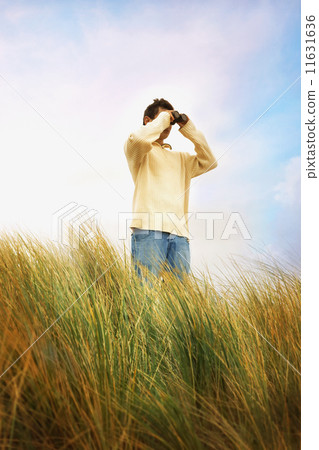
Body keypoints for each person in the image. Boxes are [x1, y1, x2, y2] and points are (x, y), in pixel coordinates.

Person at [124, 98, 218, 288]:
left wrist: (188, 127)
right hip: (148, 229)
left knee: (179, 298)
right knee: (144, 291)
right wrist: (163, 119)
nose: (168, 125)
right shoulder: (140, 152)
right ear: (148, 121)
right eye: (163, 119)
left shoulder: (181, 159)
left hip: (179, 235)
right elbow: (141, 138)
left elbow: (210, 161)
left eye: (171, 122)